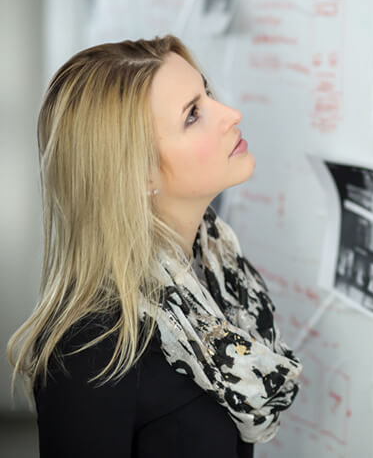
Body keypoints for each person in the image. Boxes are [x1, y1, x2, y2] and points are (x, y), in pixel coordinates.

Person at [6, 35, 302, 457]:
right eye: (193, 115)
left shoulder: (219, 281)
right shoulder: (93, 352)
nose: (231, 114)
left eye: (207, 94)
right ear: (138, 173)